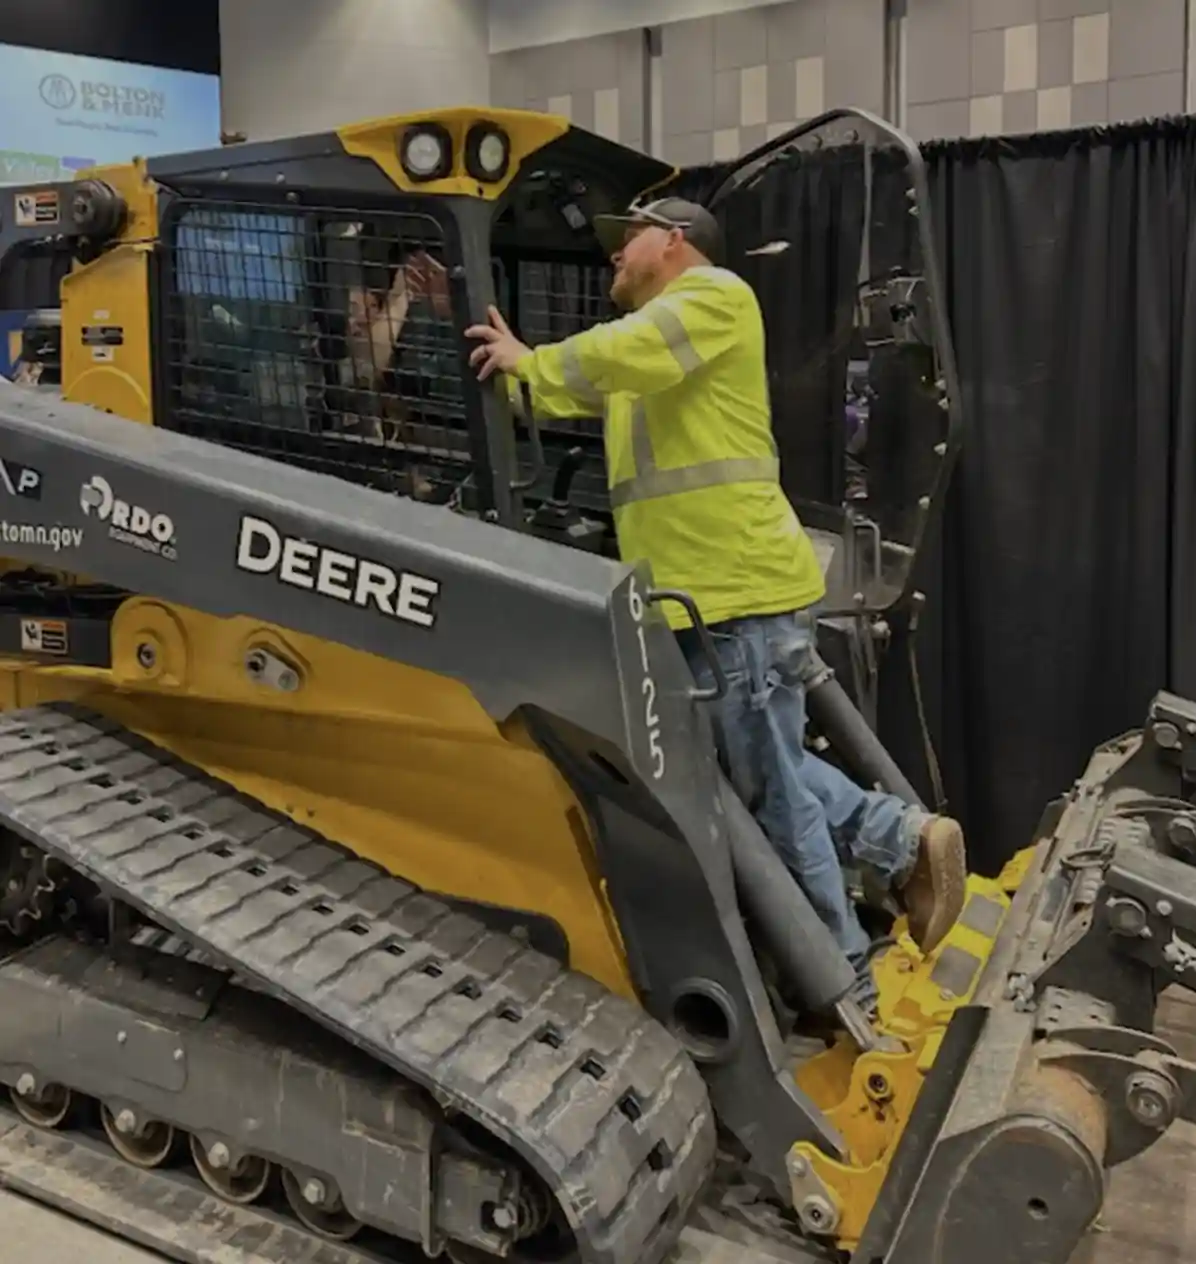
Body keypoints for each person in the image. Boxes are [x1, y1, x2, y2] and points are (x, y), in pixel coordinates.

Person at [465, 197, 966, 1008]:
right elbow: (543, 396)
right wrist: (499, 360)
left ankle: (843, 983)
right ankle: (903, 841)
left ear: (672, 240)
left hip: (734, 597)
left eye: (623, 241)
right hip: (703, 602)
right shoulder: (651, 362)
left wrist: (536, 356)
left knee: (768, 792)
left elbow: (593, 362)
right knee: (767, 770)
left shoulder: (713, 300)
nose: (613, 260)